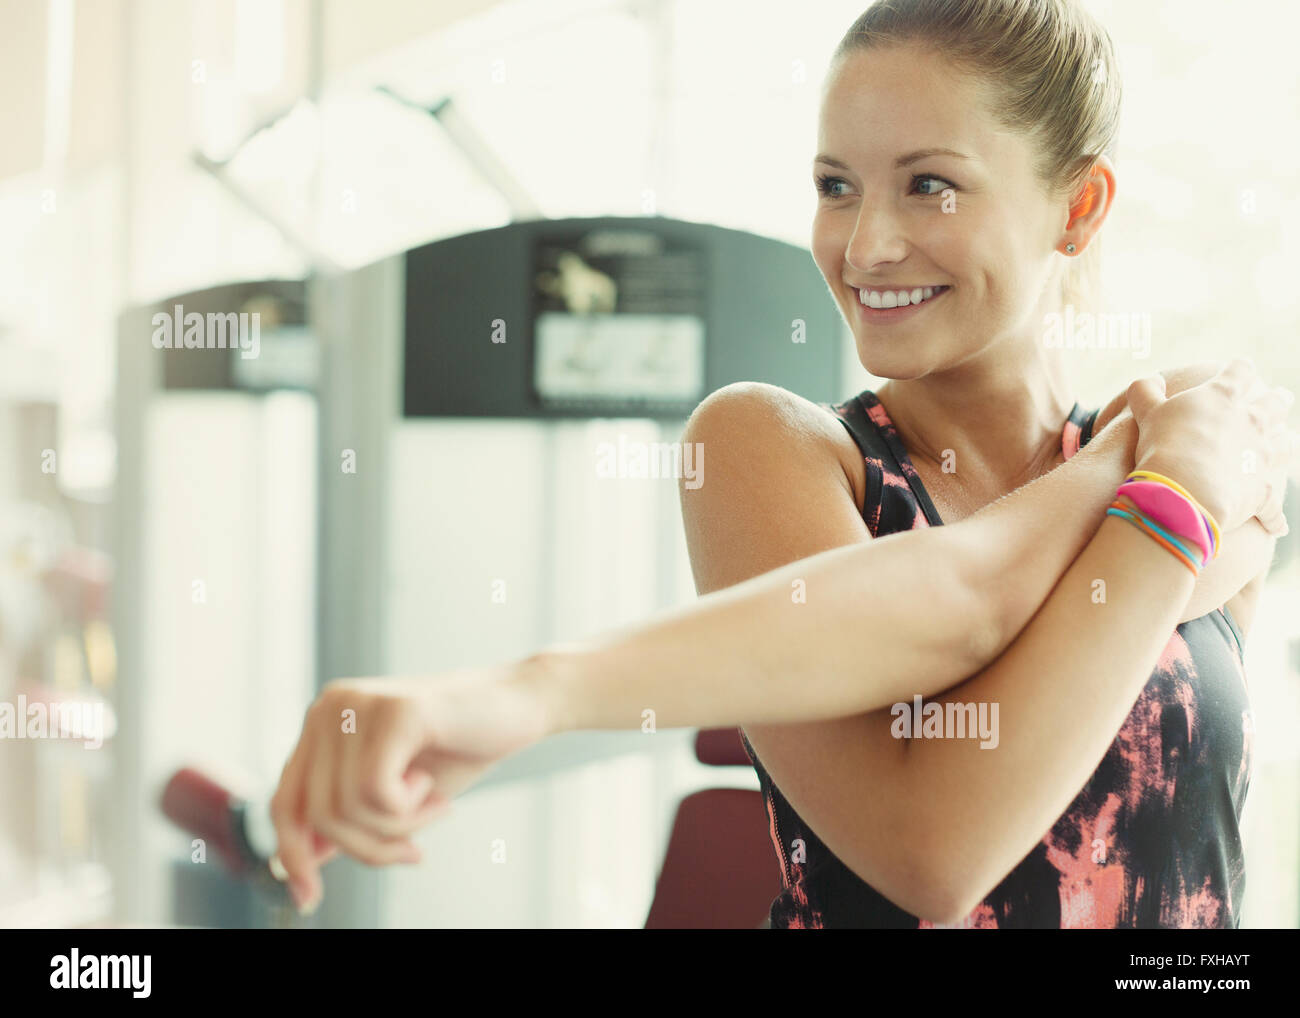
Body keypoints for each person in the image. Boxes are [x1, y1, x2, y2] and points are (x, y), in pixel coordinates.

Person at [267, 0, 1297, 925]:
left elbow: (980, 594)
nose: (866, 245)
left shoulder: (1210, 458)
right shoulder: (777, 449)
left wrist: (1151, 475)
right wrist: (1147, 478)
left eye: (929, 185)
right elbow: (932, 853)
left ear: (1077, 207)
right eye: (836, 186)